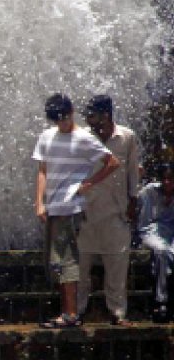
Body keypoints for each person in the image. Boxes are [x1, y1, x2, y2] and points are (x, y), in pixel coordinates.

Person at [33, 93, 120, 328]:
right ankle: (68, 312)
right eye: (57, 121)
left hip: (71, 206)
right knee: (55, 260)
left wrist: (88, 184)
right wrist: (39, 202)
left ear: (71, 113)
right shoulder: (47, 137)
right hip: (53, 206)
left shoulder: (83, 139)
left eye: (64, 119)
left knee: (66, 258)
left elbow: (112, 162)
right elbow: (43, 170)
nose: (61, 124)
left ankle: (70, 314)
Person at [76, 95, 141, 326]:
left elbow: (132, 171)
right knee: (80, 266)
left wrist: (133, 200)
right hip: (87, 212)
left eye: (93, 114)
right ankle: (77, 311)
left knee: (117, 266)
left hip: (116, 211)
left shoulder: (126, 137)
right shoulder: (83, 138)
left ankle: (117, 313)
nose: (89, 119)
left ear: (106, 114)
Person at [138, 162, 174, 322]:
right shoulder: (149, 191)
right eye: (164, 178)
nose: (167, 182)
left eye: (171, 179)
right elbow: (144, 222)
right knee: (162, 251)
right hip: (151, 230)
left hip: (171, 232)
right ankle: (161, 300)